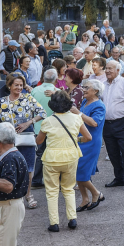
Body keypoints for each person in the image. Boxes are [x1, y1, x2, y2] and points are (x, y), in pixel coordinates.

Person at [0, 74, 46, 209]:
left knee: (28, 168)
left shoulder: (28, 98)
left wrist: (29, 123)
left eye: (21, 85)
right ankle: (14, 193)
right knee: (9, 167)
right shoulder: (2, 102)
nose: (19, 87)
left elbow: (42, 112)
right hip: (7, 141)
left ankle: (28, 194)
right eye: (16, 85)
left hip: (26, 138)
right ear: (9, 86)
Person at [34, 90, 90, 232]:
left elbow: (39, 141)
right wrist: (77, 139)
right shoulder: (77, 118)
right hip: (71, 156)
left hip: (52, 158)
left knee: (52, 191)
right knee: (68, 188)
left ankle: (54, 223)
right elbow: (88, 137)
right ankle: (72, 219)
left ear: (52, 105)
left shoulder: (47, 121)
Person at [102, 59, 124, 191]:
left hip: (122, 122)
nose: (107, 71)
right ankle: (119, 178)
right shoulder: (103, 84)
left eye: (110, 68)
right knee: (112, 152)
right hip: (107, 123)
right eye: (106, 68)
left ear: (118, 70)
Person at [73, 78, 106, 212]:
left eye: (87, 88)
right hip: (81, 140)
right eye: (84, 87)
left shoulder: (99, 105)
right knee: (78, 171)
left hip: (91, 142)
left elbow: (94, 123)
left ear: (96, 91)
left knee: (82, 172)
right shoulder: (86, 101)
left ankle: (97, 193)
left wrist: (78, 113)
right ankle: (85, 199)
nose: (83, 90)